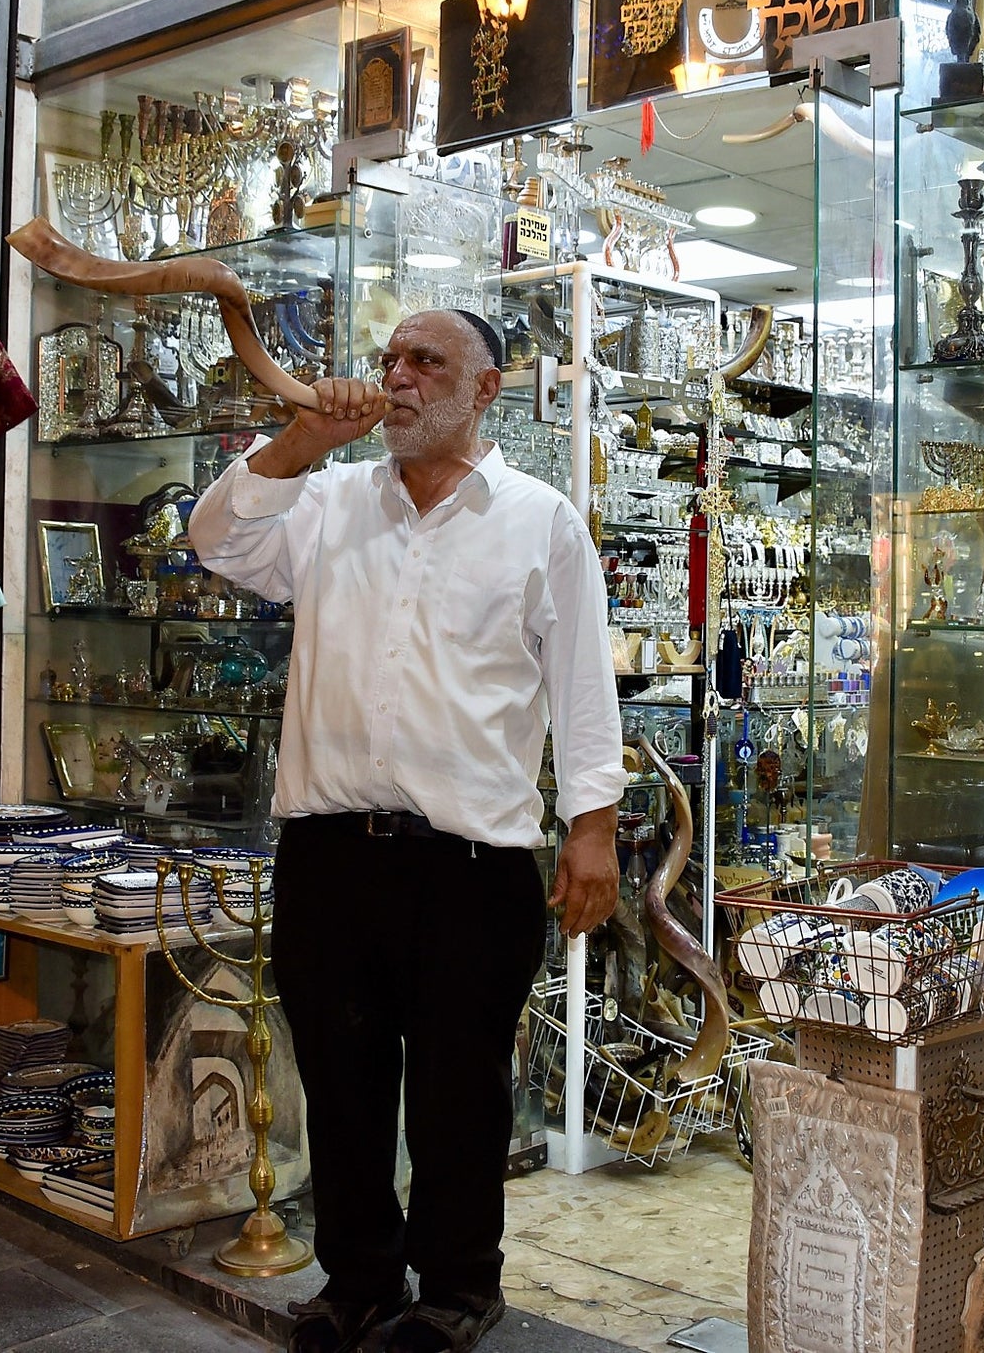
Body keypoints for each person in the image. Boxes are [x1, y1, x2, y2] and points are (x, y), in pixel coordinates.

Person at [190, 308, 624, 1353]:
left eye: (427, 362)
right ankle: (359, 1280)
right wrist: (300, 439)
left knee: (456, 1095)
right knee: (340, 1085)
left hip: (471, 866)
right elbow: (215, 539)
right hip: (330, 855)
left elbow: (581, 687)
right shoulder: (327, 499)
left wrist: (592, 829)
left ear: (486, 388)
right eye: (388, 360)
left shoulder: (540, 519)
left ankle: (460, 1287)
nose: (398, 378)